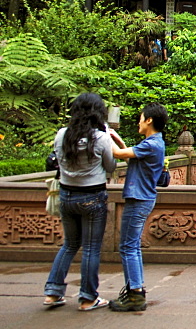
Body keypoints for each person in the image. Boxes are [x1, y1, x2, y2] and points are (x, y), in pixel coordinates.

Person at [43, 93, 118, 311]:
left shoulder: (62, 134)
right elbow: (111, 166)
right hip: (93, 196)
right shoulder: (100, 137)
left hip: (66, 195)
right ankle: (87, 298)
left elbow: (57, 162)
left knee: (69, 244)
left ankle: (52, 292)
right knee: (91, 248)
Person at [109, 102, 168, 312]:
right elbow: (126, 152)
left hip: (140, 198)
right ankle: (135, 289)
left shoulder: (151, 144)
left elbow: (118, 154)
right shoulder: (153, 143)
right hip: (142, 197)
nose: (138, 122)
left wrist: (104, 134)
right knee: (131, 246)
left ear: (149, 120)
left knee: (128, 246)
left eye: (141, 117)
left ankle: (135, 293)